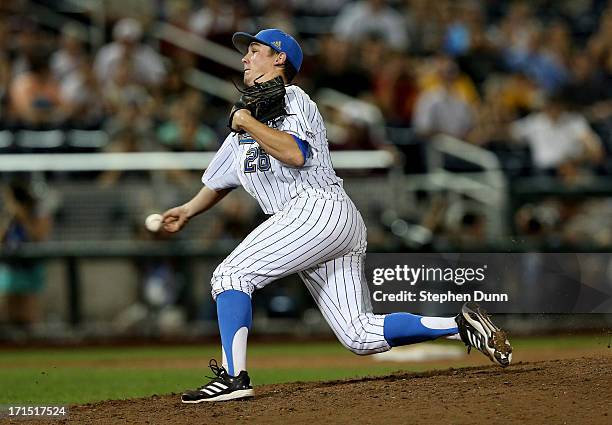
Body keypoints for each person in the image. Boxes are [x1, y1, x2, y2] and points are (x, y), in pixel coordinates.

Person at [161, 28, 512, 403]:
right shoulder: (242, 129)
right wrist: (186, 210)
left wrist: (246, 122)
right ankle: (461, 325)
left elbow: (296, 155)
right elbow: (219, 182)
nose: (245, 59)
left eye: (254, 50)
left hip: (316, 210)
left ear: (279, 58)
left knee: (230, 275)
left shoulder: (293, 99)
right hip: (322, 225)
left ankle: (234, 378)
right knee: (358, 335)